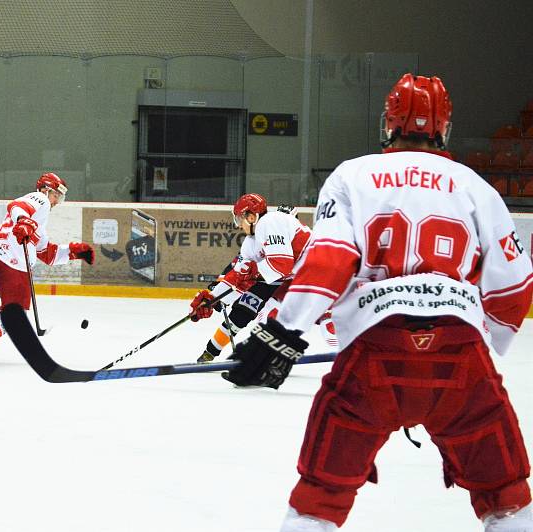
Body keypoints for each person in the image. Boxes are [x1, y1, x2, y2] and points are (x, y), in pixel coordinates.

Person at [224, 74, 533, 531]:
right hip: (460, 360)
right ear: (444, 128)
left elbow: (332, 260)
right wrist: (483, 341)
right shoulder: (475, 187)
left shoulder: (353, 174)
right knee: (506, 496)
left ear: (387, 121)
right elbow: (514, 286)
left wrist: (283, 331)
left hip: (372, 356)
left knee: (319, 497)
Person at [0, 172, 96, 367]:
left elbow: (47, 254)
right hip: (12, 262)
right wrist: (24, 220)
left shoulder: (38, 221)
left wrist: (74, 252)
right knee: (17, 310)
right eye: (56, 195)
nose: (57, 201)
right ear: (46, 189)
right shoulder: (40, 199)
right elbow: (17, 206)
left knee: (14, 308)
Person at [193, 204, 337, 362]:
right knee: (244, 311)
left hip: (299, 277)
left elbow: (280, 265)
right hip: (275, 277)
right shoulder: (253, 241)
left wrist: (251, 271)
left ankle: (269, 355)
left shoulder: (277, 226)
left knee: (288, 317)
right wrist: (214, 297)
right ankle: (212, 351)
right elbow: (238, 272)